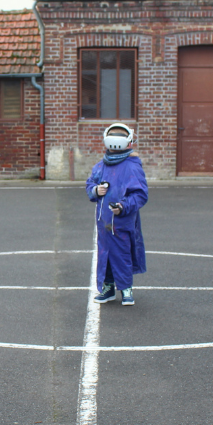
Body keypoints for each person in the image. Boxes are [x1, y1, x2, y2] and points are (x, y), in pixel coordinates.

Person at [85, 123, 149, 306]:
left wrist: (123, 206)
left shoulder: (132, 167)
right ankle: (108, 288)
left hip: (122, 222)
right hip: (104, 221)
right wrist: (96, 190)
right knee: (105, 255)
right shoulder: (101, 166)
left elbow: (140, 195)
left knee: (122, 254)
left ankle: (126, 289)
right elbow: (90, 184)